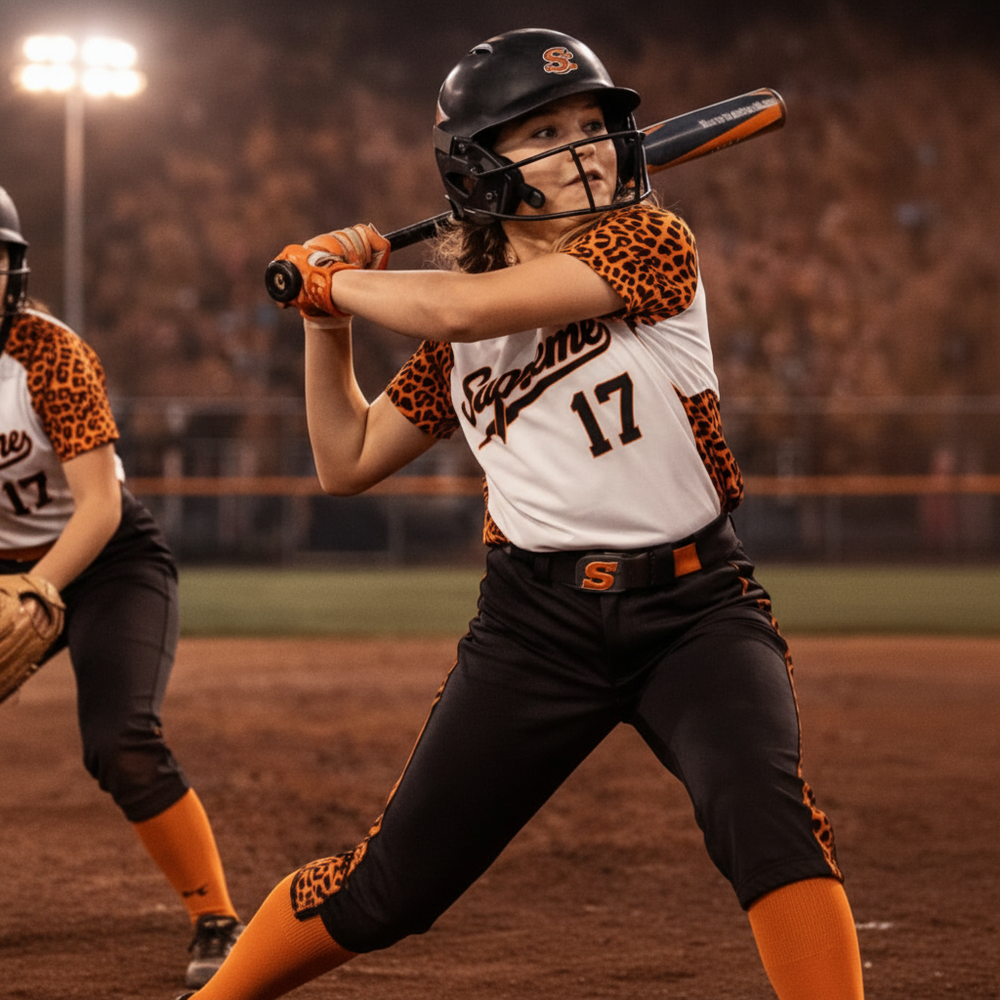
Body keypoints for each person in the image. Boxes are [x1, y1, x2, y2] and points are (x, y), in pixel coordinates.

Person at [179, 28, 865, 1000]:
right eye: (543, 132)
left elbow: (464, 309)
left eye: (592, 123)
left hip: (695, 609)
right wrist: (325, 325)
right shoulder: (456, 335)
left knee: (766, 816)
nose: (585, 144)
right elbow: (347, 460)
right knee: (391, 889)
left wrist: (336, 273)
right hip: (533, 627)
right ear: (481, 170)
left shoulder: (649, 242)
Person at [0, 184, 245, 990]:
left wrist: (38, 586)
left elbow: (98, 505)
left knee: (121, 741)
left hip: (105, 561)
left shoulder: (47, 353)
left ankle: (216, 918)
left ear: (15, 271)